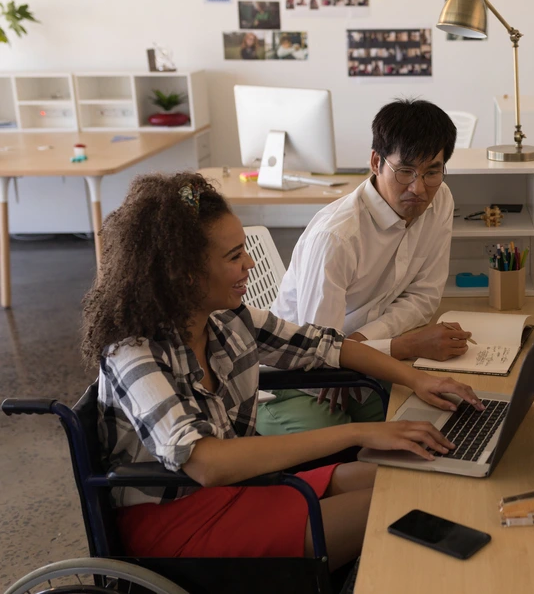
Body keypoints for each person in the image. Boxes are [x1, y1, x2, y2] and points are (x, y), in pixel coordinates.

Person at [84, 172, 483, 570]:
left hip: (237, 489)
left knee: (415, 476)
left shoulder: (226, 320)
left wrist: (419, 379)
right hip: (176, 523)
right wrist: (360, 432)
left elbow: (328, 346)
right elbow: (207, 463)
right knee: (399, 500)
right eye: (234, 256)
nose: (250, 263)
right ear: (184, 274)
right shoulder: (134, 353)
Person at [259, 99, 465, 436]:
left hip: (361, 366)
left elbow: (423, 298)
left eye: (432, 171)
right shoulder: (337, 236)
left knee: (434, 422)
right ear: (375, 162)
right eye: (405, 171)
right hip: (294, 378)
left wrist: (355, 345)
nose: (419, 188)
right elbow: (317, 353)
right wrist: (400, 346)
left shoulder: (440, 200)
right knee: (347, 447)